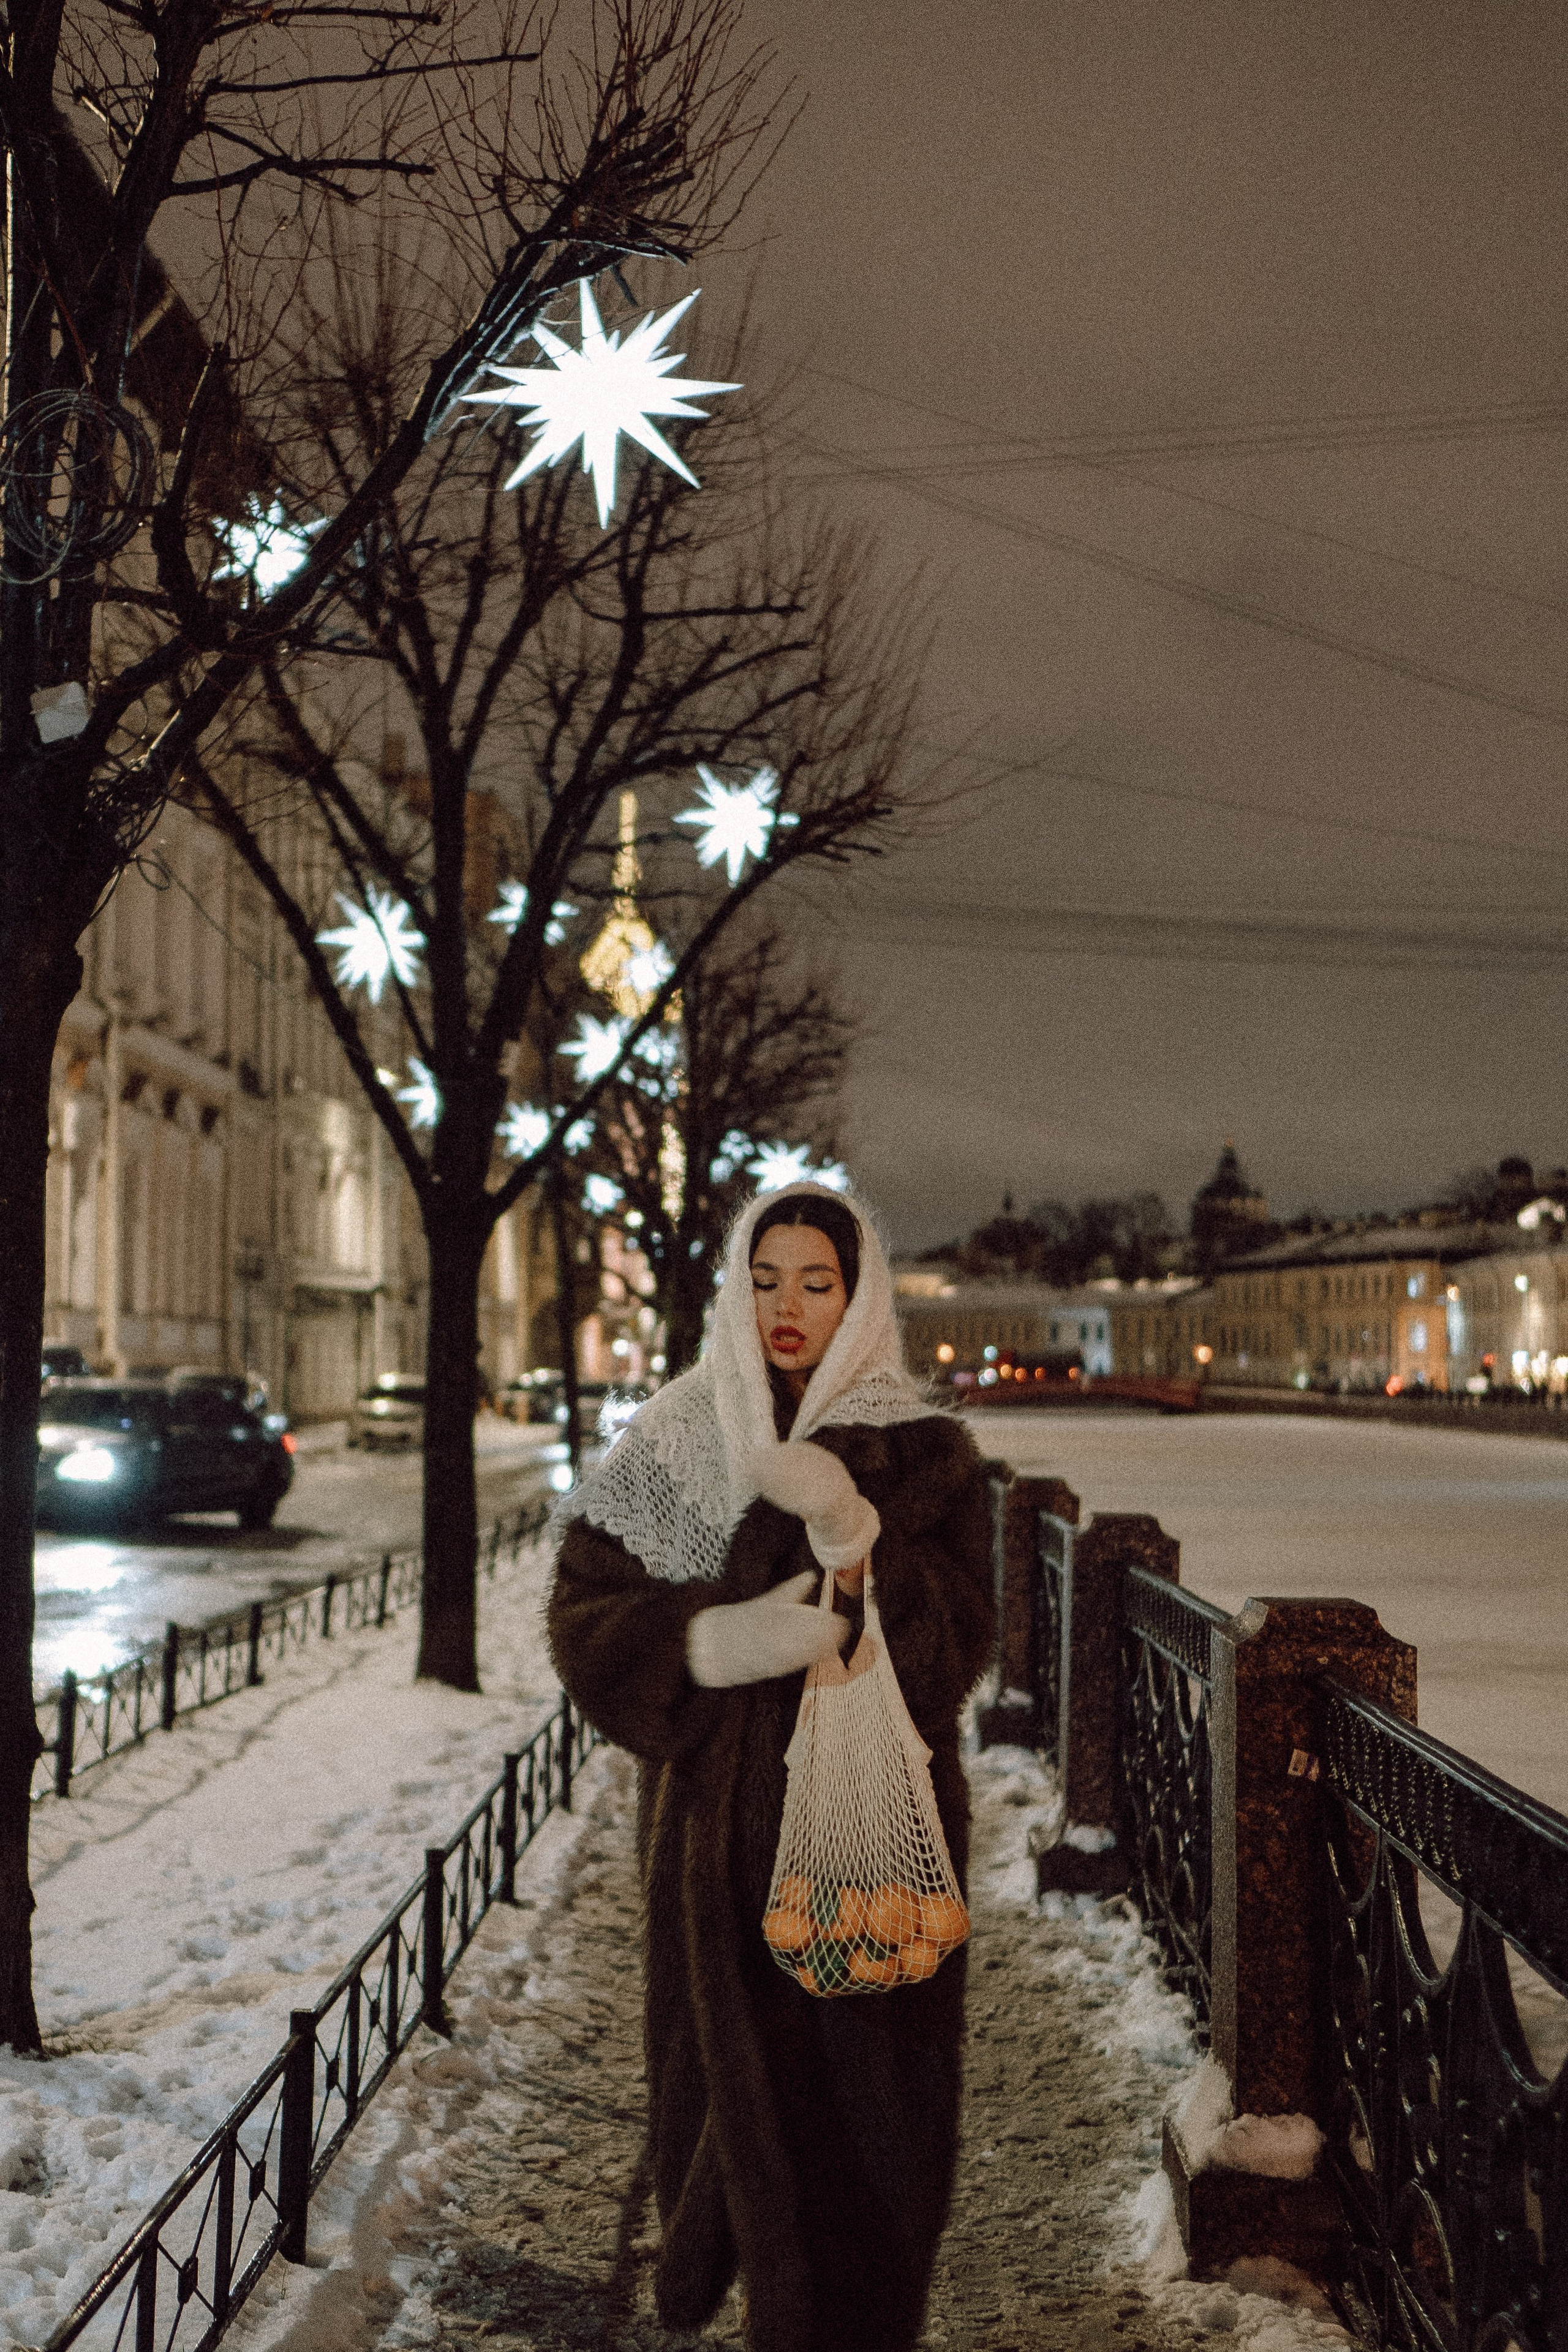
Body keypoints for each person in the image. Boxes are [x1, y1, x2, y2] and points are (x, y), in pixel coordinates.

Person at [548, 1180, 994, 2352]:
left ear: (858, 1298)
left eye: (816, 1282)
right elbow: (587, 1619)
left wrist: (857, 1544)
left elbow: (960, 1650)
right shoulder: (678, 1439)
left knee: (872, 2153)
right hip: (710, 1855)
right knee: (729, 2122)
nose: (786, 1308)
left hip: (875, 1839)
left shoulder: (923, 1452)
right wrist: (712, 1643)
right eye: (765, 1280)